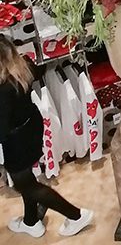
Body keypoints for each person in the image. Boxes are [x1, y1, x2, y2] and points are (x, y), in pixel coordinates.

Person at [0, 36, 94, 238]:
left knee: (25, 184)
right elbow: (38, 71)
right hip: (31, 127)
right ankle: (31, 220)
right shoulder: (24, 67)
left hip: (16, 139)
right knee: (27, 177)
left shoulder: (3, 90)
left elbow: (2, 127)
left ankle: (76, 216)